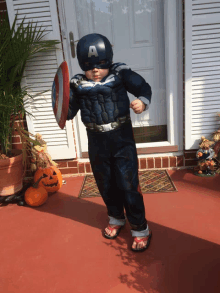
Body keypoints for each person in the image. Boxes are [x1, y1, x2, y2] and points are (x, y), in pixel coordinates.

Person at [67, 33, 152, 252]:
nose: (95, 70)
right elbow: (67, 112)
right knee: (105, 183)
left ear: (109, 60)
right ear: (82, 64)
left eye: (100, 64)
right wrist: (59, 103)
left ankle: (140, 228)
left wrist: (142, 102)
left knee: (128, 183)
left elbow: (144, 88)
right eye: (89, 65)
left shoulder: (120, 73)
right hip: (96, 140)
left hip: (121, 138)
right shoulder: (77, 83)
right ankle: (116, 217)